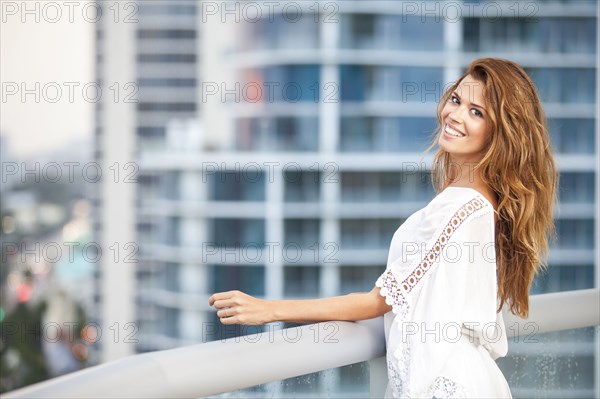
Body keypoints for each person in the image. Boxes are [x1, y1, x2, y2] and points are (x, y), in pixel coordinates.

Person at [208, 58, 558, 398]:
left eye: (476, 112)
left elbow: (376, 302)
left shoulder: (458, 207)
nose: (455, 115)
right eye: (456, 99)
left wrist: (270, 309)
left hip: (447, 384)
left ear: (499, 133)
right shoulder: (483, 203)